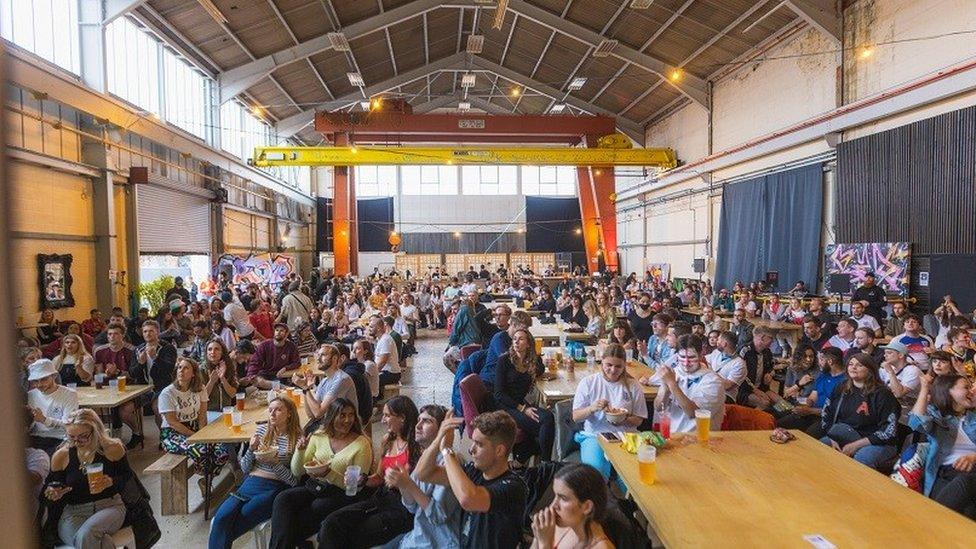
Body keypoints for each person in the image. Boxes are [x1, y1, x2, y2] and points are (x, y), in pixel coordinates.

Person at [269, 398, 373, 549]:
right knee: (283, 498)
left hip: (343, 493)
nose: (348, 420)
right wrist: (300, 450)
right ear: (331, 417)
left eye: (351, 415)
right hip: (316, 487)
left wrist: (328, 473)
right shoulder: (319, 435)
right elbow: (297, 471)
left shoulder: (362, 444)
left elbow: (356, 487)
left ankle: (293, 543)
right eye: (342, 415)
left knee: (312, 509)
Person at [318, 396, 421, 548]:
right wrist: (363, 479)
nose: (383, 420)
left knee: (354, 535)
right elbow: (379, 477)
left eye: (387, 415)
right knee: (331, 523)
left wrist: (400, 482)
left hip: (402, 507)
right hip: (381, 498)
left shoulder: (417, 447)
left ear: (402, 418)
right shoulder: (388, 440)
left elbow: (420, 488)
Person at [415, 410, 528, 549]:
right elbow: (423, 474)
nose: (471, 450)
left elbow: (468, 499)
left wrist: (446, 450)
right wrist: (438, 440)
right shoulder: (473, 471)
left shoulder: (514, 487)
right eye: (473, 442)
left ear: (499, 450)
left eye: (479, 444)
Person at [209, 397, 303, 549]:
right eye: (270, 410)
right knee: (221, 518)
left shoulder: (297, 438)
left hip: (274, 488)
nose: (272, 414)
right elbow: (245, 468)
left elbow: (294, 481)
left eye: (278, 410)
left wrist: (275, 463)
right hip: (249, 484)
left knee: (241, 518)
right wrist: (251, 450)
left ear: (290, 413)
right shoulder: (261, 431)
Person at [43, 409, 128, 549]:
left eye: (83, 436)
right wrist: (54, 492)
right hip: (73, 512)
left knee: (86, 535)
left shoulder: (112, 448)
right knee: (100, 542)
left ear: (95, 431)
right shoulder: (61, 456)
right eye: (71, 437)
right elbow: (52, 486)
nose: (76, 442)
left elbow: (126, 477)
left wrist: (111, 481)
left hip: (109, 506)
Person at [572, 344, 647, 481]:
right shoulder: (588, 382)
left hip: (626, 435)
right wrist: (592, 408)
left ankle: (624, 501)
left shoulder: (633, 385)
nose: (613, 370)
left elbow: (639, 419)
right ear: (602, 361)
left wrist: (623, 419)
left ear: (624, 365)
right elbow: (576, 416)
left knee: (632, 476)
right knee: (596, 473)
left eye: (618, 366)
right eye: (609, 365)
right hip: (595, 435)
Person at [158, 357, 230, 494]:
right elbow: (172, 422)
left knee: (222, 452)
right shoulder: (167, 393)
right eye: (179, 368)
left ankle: (206, 480)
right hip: (172, 434)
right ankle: (204, 475)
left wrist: (202, 434)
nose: (181, 371)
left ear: (193, 374)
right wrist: (195, 436)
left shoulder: (200, 389)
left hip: (195, 429)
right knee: (202, 450)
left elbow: (202, 416)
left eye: (185, 368)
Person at [909, 374, 976, 517]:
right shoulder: (938, 416)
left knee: (966, 483)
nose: (971, 391)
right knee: (967, 510)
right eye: (966, 387)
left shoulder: (974, 418)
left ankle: (927, 522)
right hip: (944, 472)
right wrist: (925, 389)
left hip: (971, 473)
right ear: (948, 391)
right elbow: (916, 423)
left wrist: (974, 457)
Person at [820, 353, 901, 470]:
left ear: (870, 370)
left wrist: (855, 445)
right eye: (851, 364)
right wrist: (831, 437)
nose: (853, 367)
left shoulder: (883, 394)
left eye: (859, 365)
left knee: (861, 459)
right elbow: (826, 413)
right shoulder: (841, 387)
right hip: (842, 436)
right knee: (821, 446)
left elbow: (888, 431)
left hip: (875, 442)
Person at [492, 329, 553, 461]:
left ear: (529, 344)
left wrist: (539, 359)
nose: (516, 342)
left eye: (521, 339)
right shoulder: (504, 360)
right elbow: (498, 394)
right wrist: (523, 409)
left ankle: (526, 458)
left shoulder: (531, 361)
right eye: (514, 339)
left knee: (547, 418)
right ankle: (545, 463)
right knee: (545, 422)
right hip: (504, 406)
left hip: (520, 403)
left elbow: (540, 370)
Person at [650, 334, 724, 435]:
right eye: (682, 357)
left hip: (699, 438)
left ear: (701, 354)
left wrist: (672, 384)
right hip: (671, 435)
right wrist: (665, 389)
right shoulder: (673, 373)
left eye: (691, 357)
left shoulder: (713, 380)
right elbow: (658, 407)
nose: (686, 363)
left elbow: (693, 413)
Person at [530, 464, 614, 549]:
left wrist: (544, 544)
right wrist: (538, 536)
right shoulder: (561, 525)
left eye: (563, 498)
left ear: (587, 507)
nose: (553, 506)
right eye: (555, 496)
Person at [293, 344, 359, 421]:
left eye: (323, 355)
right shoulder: (324, 381)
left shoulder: (342, 379)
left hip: (344, 427)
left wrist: (307, 389)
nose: (318, 358)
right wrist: (304, 388)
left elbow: (318, 413)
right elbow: (311, 414)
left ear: (334, 359)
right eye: (318, 355)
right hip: (329, 425)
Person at [27, 359, 79, 455]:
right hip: (35, 438)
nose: (39, 384)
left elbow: (69, 425)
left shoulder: (69, 394)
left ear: (54, 376)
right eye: (35, 381)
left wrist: (44, 419)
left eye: (44, 379)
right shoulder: (30, 395)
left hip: (59, 438)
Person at [137, 320, 178, 433]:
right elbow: (132, 372)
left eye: (151, 331)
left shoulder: (167, 348)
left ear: (158, 332)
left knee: (157, 408)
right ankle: (137, 434)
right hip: (142, 388)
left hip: (162, 386)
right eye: (145, 331)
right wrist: (140, 364)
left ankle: (163, 435)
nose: (148, 334)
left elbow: (168, 369)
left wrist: (155, 358)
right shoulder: (138, 349)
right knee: (127, 409)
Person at [244, 323, 300, 390]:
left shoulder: (291, 346)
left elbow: (297, 362)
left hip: (279, 375)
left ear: (286, 334)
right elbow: (255, 362)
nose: (278, 332)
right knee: (260, 381)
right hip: (264, 374)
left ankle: (287, 388)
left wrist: (285, 368)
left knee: (277, 384)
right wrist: (251, 375)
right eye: (277, 330)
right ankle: (287, 388)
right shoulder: (264, 345)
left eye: (281, 331)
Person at [736, 327, 776, 407]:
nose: (773, 341)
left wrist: (770, 374)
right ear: (762, 338)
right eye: (770, 338)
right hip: (743, 390)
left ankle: (774, 418)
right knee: (765, 403)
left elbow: (772, 367)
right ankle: (751, 419)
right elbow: (740, 374)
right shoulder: (745, 350)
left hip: (762, 387)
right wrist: (755, 390)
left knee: (781, 402)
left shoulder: (767, 352)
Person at [878, 340, 923, 405]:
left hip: (914, 405)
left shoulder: (912, 370)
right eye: (885, 353)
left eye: (889, 353)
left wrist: (891, 372)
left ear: (901, 355)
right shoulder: (884, 369)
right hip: (894, 404)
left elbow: (899, 394)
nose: (885, 355)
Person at [707, 331, 747, 403]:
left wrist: (709, 372)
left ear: (724, 344)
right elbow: (705, 360)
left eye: (718, 339)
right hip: (710, 389)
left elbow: (727, 386)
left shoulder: (739, 364)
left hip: (726, 396)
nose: (717, 342)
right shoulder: (717, 352)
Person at [201, 339, 239, 413]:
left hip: (227, 410)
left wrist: (222, 378)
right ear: (206, 353)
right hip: (209, 412)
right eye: (209, 349)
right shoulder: (201, 370)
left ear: (222, 352)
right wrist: (211, 382)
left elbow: (232, 394)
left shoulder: (229, 367)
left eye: (216, 349)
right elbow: (202, 397)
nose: (212, 352)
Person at [372, 316, 402, 393]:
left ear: (378, 328)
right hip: (385, 371)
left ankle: (374, 400)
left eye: (371, 327)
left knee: (367, 381)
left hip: (391, 373)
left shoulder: (385, 340)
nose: (369, 328)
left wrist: (372, 373)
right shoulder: (381, 338)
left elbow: (382, 361)